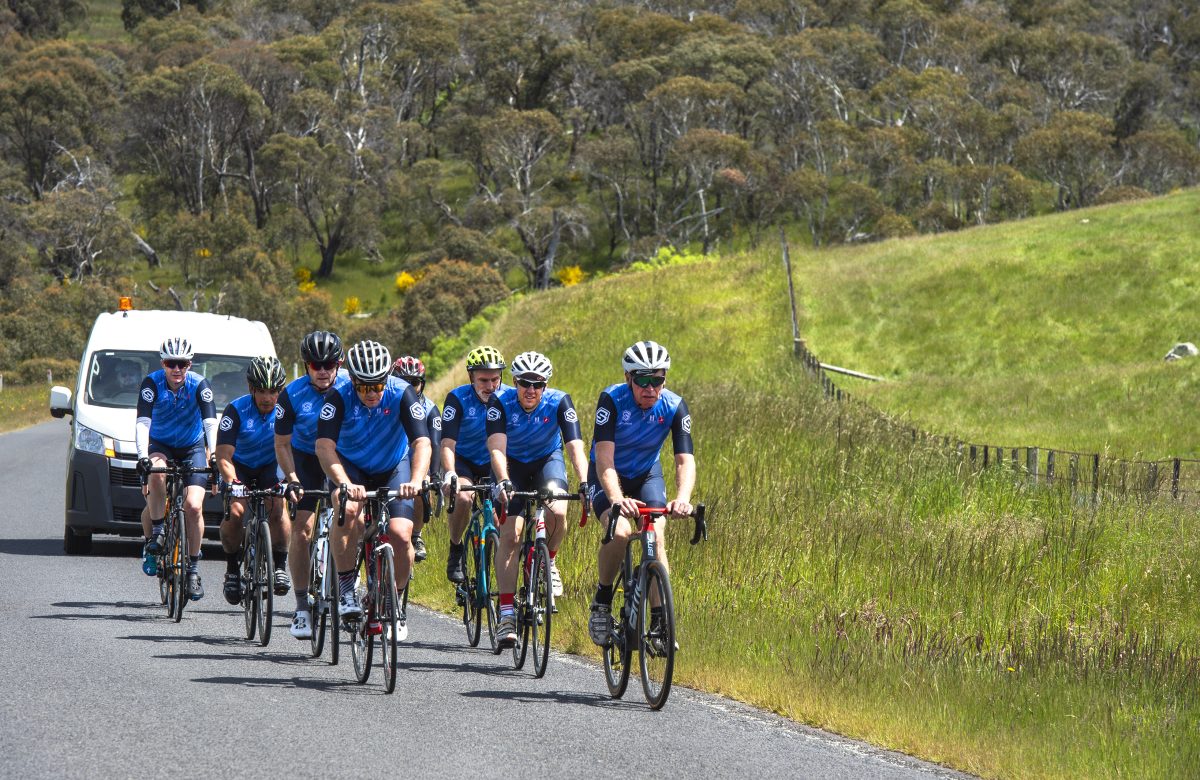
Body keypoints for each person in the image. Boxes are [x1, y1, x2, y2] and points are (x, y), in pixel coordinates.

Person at [316, 340, 431, 632]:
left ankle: (395, 598)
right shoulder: (338, 397)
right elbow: (325, 446)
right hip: (351, 466)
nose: (372, 393)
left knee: (401, 534)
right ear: (352, 380)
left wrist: (416, 481)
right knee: (349, 508)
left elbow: (422, 442)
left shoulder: (401, 393)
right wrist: (342, 482)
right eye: (365, 387)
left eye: (377, 386)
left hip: (392, 465)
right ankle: (345, 587)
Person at [586, 340, 695, 647]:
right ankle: (603, 601)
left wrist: (682, 498)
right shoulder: (611, 400)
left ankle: (661, 622)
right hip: (608, 475)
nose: (650, 388)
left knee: (656, 536)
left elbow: (684, 460)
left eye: (657, 380)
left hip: (647, 474)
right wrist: (617, 499)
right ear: (628, 378)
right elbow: (605, 459)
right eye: (643, 380)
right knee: (619, 532)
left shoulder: (674, 406)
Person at [486, 351, 588, 647]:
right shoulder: (500, 402)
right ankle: (506, 613)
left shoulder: (559, 402)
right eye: (524, 383)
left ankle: (549, 561)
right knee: (511, 534)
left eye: (538, 384)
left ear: (546, 385)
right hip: (511, 465)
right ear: (514, 382)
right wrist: (503, 480)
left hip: (547, 460)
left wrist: (584, 482)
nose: (531, 390)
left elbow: (575, 447)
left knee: (558, 509)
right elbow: (496, 448)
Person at [275, 330, 350, 640]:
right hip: (305, 459)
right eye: (315, 365)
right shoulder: (291, 394)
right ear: (306, 365)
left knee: (351, 519)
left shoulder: (351, 386)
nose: (322, 371)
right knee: (303, 530)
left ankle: (349, 580)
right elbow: (281, 444)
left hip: (342, 456)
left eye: (329, 364)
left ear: (340, 363)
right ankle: (302, 605)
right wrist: (291, 478)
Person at [135, 336, 218, 600]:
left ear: (190, 364)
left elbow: (210, 423)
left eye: (182, 364)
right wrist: (142, 457)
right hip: (161, 445)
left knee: (193, 506)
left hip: (193, 447)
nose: (177, 369)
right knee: (157, 473)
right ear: (163, 363)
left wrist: (213, 456)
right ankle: (157, 534)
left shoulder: (199, 385)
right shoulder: (152, 383)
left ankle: (193, 570)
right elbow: (142, 423)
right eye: (171, 364)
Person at [214, 356, 291, 607]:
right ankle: (232, 570)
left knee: (278, 507)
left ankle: (280, 564)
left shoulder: (286, 411)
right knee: (236, 512)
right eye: (261, 391)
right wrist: (233, 482)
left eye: (273, 391)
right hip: (240, 467)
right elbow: (223, 455)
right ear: (251, 389)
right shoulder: (235, 411)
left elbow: (291, 449)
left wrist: (287, 480)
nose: (268, 398)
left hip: (271, 466)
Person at [438, 346, 511, 585]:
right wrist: (450, 473)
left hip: (494, 462)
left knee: (506, 509)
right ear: (471, 377)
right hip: (464, 461)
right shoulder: (457, 399)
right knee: (463, 497)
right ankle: (456, 547)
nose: (490, 386)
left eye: (495, 379)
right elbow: (447, 443)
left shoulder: (509, 397)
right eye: (483, 380)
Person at [392, 356, 441, 565]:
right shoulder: (387, 402)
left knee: (422, 488)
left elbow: (436, 444)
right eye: (402, 381)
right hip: (393, 461)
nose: (408, 387)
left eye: (414, 382)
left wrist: (435, 475)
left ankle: (416, 535)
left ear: (422, 383)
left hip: (419, 460)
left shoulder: (430, 408)